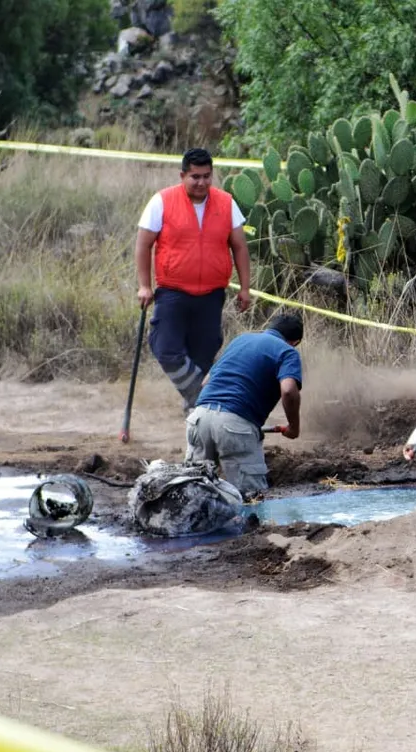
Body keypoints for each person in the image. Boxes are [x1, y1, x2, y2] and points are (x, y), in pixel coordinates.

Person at [136, 147, 253, 414]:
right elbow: (143, 245)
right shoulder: (162, 201)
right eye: (195, 177)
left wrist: (245, 288)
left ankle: (196, 409)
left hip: (212, 293)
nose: (202, 183)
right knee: (165, 348)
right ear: (182, 175)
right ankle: (202, 398)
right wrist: (144, 285)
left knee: (205, 354)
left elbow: (240, 247)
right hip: (172, 290)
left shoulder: (225, 203)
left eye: (207, 176)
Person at [185, 312, 303, 498]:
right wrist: (294, 428)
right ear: (294, 341)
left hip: (199, 417)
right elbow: (288, 391)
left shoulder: (240, 340)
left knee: (193, 491)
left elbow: (206, 382)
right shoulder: (287, 351)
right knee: (251, 499)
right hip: (235, 423)